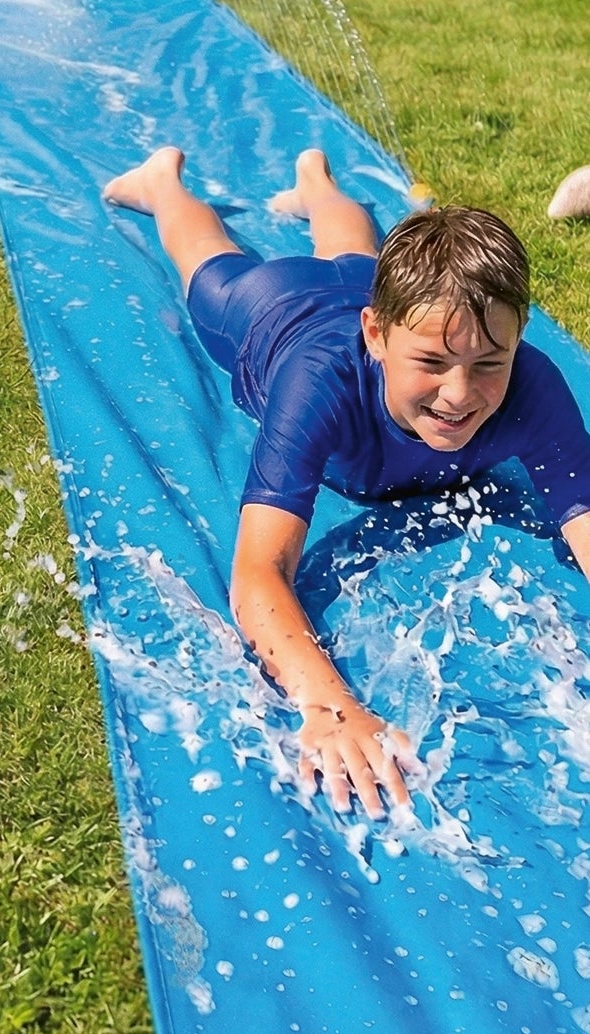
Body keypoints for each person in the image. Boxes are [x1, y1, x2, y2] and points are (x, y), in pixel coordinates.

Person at [103, 146, 590, 818]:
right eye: (433, 362)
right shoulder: (320, 383)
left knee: (359, 260)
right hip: (271, 311)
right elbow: (258, 572)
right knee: (209, 265)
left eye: (488, 362)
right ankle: (162, 184)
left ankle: (315, 182)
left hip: (368, 294)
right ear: (378, 336)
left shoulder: (530, 384)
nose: (460, 393)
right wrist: (329, 706)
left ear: (519, 339)